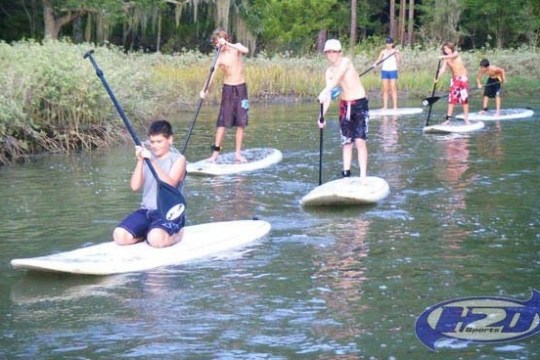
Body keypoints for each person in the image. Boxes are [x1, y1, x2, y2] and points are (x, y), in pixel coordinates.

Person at [113, 120, 187, 248]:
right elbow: (135, 186)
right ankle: (146, 233)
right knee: (119, 236)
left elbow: (169, 184)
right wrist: (141, 160)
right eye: (152, 142)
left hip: (169, 213)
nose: (155, 146)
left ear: (170, 140)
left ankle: (177, 235)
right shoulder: (147, 158)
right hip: (146, 211)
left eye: (159, 142)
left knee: (156, 240)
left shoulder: (179, 159)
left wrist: (151, 161)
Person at [317, 39, 369, 183]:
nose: (331, 54)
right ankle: (346, 175)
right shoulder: (328, 72)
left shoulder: (346, 62)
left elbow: (337, 79)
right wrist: (321, 116)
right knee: (346, 142)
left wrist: (325, 90)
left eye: (334, 51)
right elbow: (328, 95)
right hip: (345, 106)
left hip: (359, 104)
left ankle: (363, 176)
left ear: (340, 53)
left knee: (360, 141)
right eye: (328, 52)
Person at [200, 28, 250, 163]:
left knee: (241, 123)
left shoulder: (237, 48)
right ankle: (215, 154)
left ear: (225, 40)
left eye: (218, 43)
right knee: (222, 123)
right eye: (215, 44)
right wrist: (204, 90)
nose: (217, 46)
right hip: (228, 90)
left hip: (241, 89)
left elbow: (246, 50)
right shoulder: (219, 57)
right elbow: (211, 74)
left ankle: (238, 154)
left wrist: (228, 44)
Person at [436, 42, 470, 125]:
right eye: (444, 49)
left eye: (447, 48)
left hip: (463, 78)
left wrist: (443, 56)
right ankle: (448, 119)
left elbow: (453, 56)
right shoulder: (446, 59)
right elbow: (442, 69)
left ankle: (466, 119)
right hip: (455, 80)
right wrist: (437, 77)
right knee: (452, 100)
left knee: (464, 100)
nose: (446, 50)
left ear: (451, 48)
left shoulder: (455, 53)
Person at [374, 36, 402, 110]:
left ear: (392, 44)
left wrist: (398, 54)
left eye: (389, 43)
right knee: (385, 89)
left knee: (393, 88)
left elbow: (399, 61)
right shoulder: (383, 51)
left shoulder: (395, 51)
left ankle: (395, 106)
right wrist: (375, 64)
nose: (388, 45)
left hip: (393, 70)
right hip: (385, 71)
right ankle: (385, 106)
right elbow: (378, 60)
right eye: (387, 43)